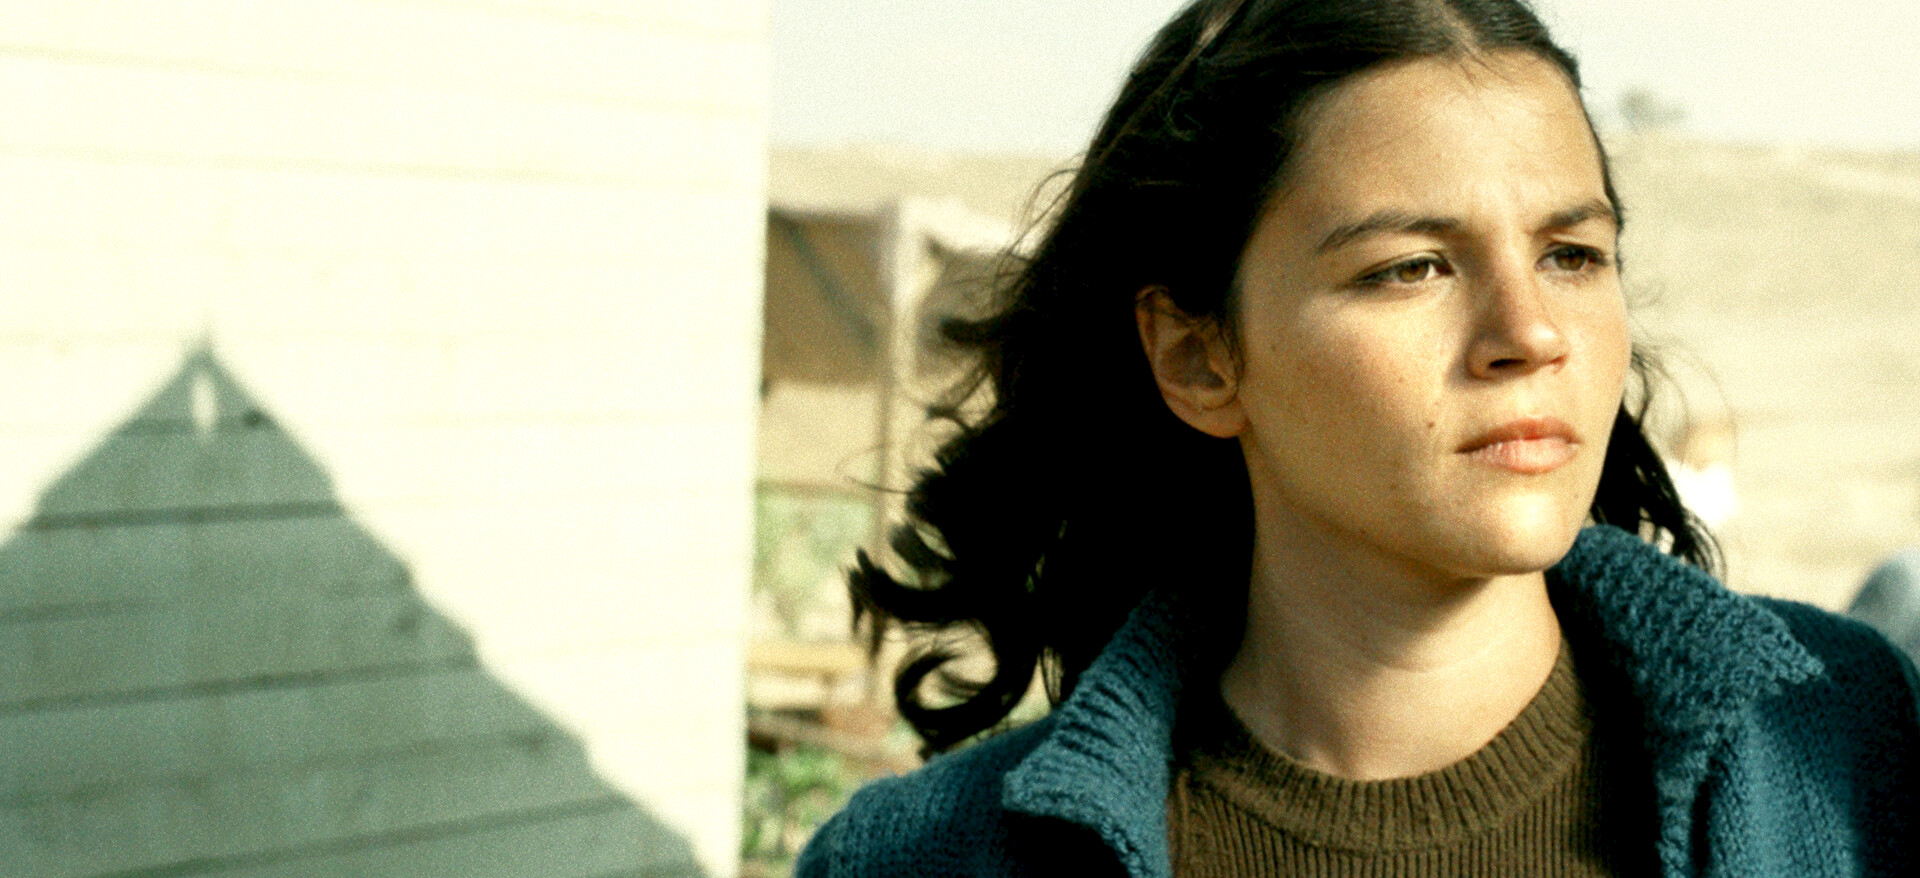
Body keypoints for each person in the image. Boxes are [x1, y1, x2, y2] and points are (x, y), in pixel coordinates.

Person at [798, 0, 1920, 874]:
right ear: (1199, 358)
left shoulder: (1854, 747)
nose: (1530, 332)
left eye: (1571, 255)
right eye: (1411, 268)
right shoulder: (916, 860)